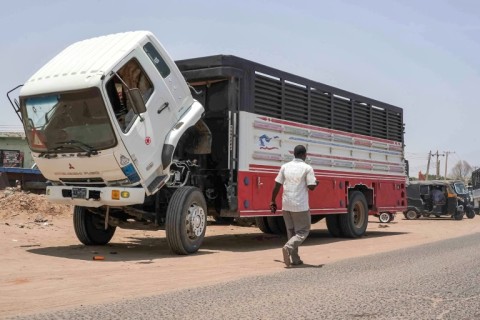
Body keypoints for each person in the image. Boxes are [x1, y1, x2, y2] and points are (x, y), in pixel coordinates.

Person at [270, 145, 318, 267]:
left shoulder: (284, 167)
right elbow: (311, 187)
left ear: (294, 154)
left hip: (286, 205)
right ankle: (288, 247)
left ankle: (295, 259)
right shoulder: (307, 168)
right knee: (303, 231)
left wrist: (272, 201)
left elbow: (277, 185)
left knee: (291, 232)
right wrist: (316, 183)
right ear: (304, 155)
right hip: (300, 205)